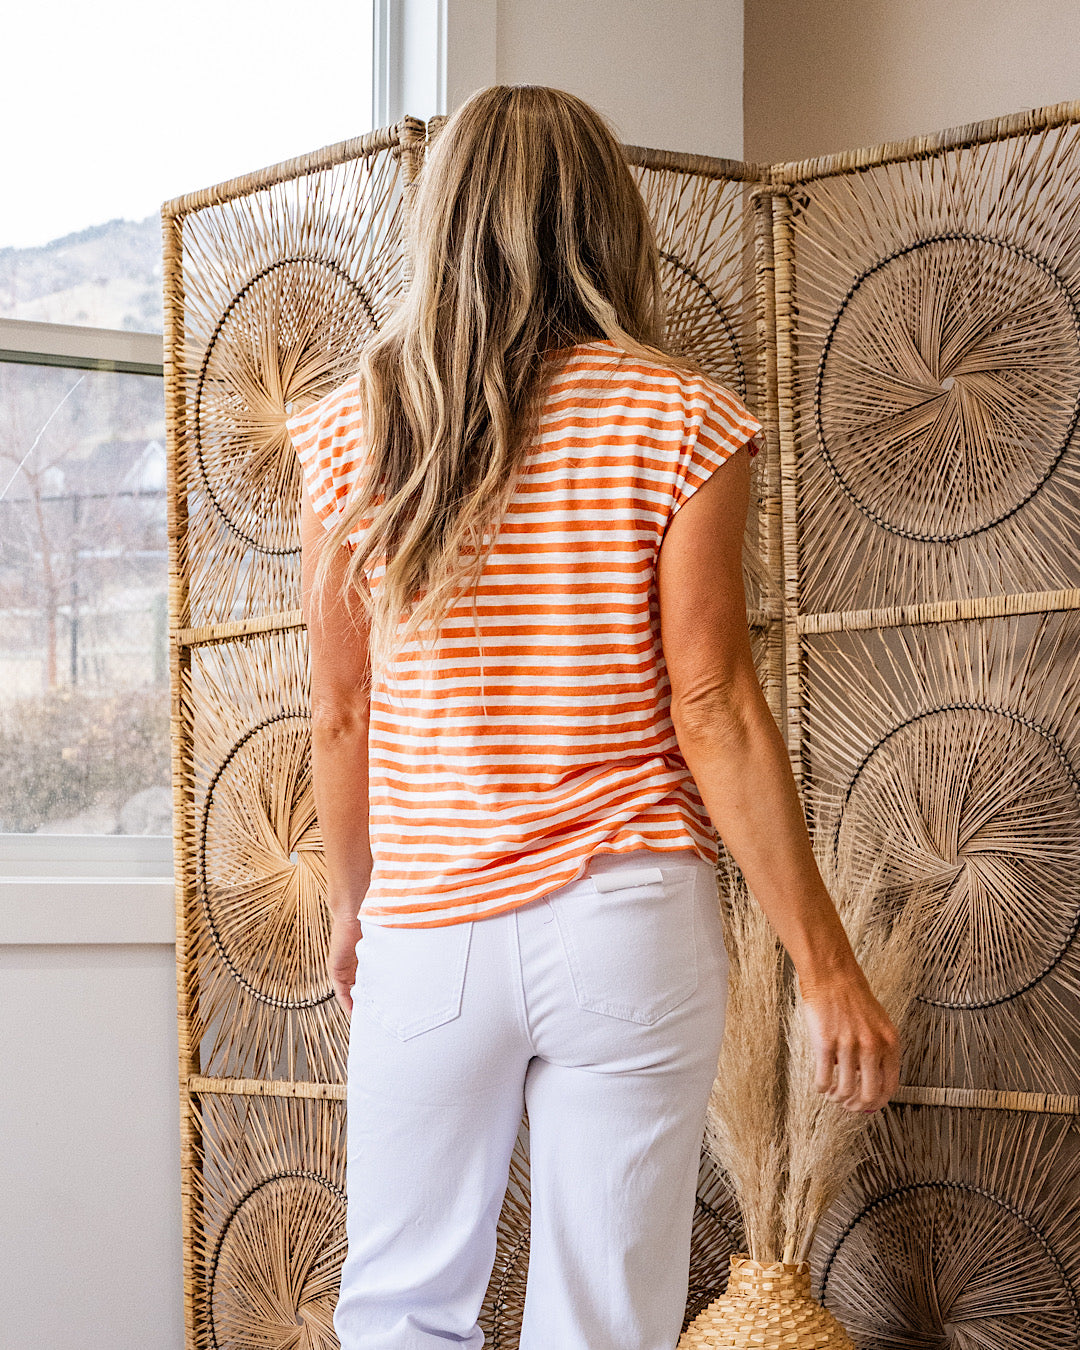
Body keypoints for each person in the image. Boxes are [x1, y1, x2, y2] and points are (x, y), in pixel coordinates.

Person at [285, 84, 900, 1350]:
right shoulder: (679, 417)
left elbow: (340, 711)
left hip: (430, 930)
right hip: (626, 921)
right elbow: (714, 705)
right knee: (603, 1322)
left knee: (400, 1312)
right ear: (610, 220)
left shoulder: (356, 430)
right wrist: (823, 964)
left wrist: (355, 904)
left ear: (443, 220)